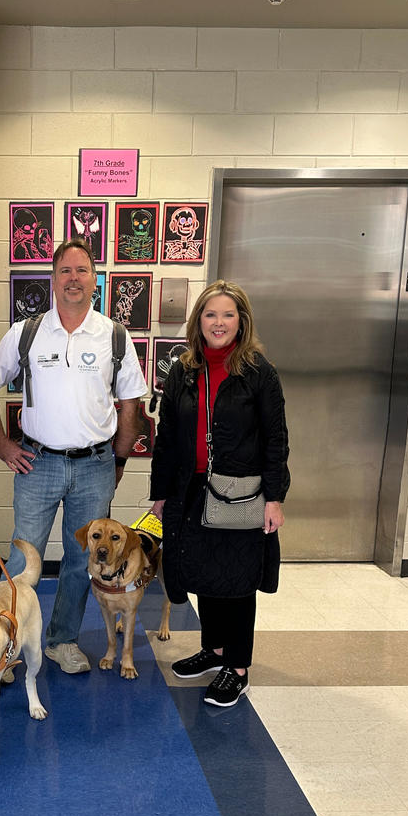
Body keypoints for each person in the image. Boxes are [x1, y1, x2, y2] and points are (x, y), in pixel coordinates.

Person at [0, 237, 147, 673]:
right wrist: (1, 443)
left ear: (95, 280)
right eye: (65, 271)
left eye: (82, 271)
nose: (74, 279)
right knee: (22, 556)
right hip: (37, 463)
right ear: (53, 280)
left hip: (95, 466)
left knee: (83, 560)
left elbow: (131, 405)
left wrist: (120, 460)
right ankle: (6, 646)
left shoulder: (114, 335)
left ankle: (61, 641)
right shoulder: (27, 332)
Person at [150, 280, 289, 709]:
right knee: (203, 574)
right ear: (199, 322)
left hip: (239, 493)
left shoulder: (258, 372)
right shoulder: (183, 370)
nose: (219, 322)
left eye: (228, 314)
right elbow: (168, 436)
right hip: (189, 490)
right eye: (211, 314)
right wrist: (160, 493)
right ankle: (215, 651)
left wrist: (275, 496)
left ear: (241, 321)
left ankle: (238, 666)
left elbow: (275, 437)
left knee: (237, 579)